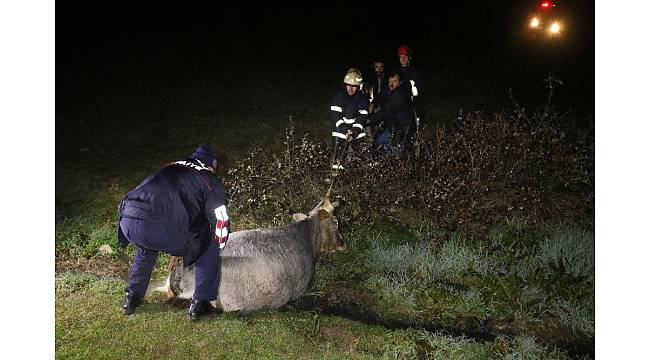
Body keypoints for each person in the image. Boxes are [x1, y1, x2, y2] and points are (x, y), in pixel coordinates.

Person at [117, 144, 230, 321]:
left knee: (146, 247)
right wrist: (219, 244)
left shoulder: (170, 167)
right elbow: (220, 219)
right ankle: (200, 304)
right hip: (160, 227)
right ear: (212, 165)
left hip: (130, 220)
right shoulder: (209, 178)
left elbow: (169, 207)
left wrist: (178, 246)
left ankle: (132, 297)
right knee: (211, 243)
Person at [366, 70, 417, 155]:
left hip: (402, 129)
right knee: (378, 142)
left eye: (394, 81)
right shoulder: (388, 89)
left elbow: (386, 110)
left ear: (400, 82)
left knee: (394, 152)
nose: (391, 83)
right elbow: (379, 97)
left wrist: (368, 120)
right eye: (390, 81)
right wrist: (373, 104)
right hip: (391, 127)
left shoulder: (401, 94)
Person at [329, 67, 370, 169]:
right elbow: (336, 116)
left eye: (354, 86)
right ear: (345, 84)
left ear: (359, 86)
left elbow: (362, 117)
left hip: (356, 131)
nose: (350, 89)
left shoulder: (362, 99)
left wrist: (354, 132)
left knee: (364, 157)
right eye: (349, 85)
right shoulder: (338, 97)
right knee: (337, 159)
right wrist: (344, 130)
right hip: (340, 130)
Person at [396, 44, 426, 125]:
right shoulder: (396, 71)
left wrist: (414, 93)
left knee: (415, 120)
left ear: (410, 57)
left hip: (413, 101)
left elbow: (422, 87)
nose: (403, 59)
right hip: (399, 100)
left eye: (405, 56)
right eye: (401, 57)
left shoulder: (416, 71)